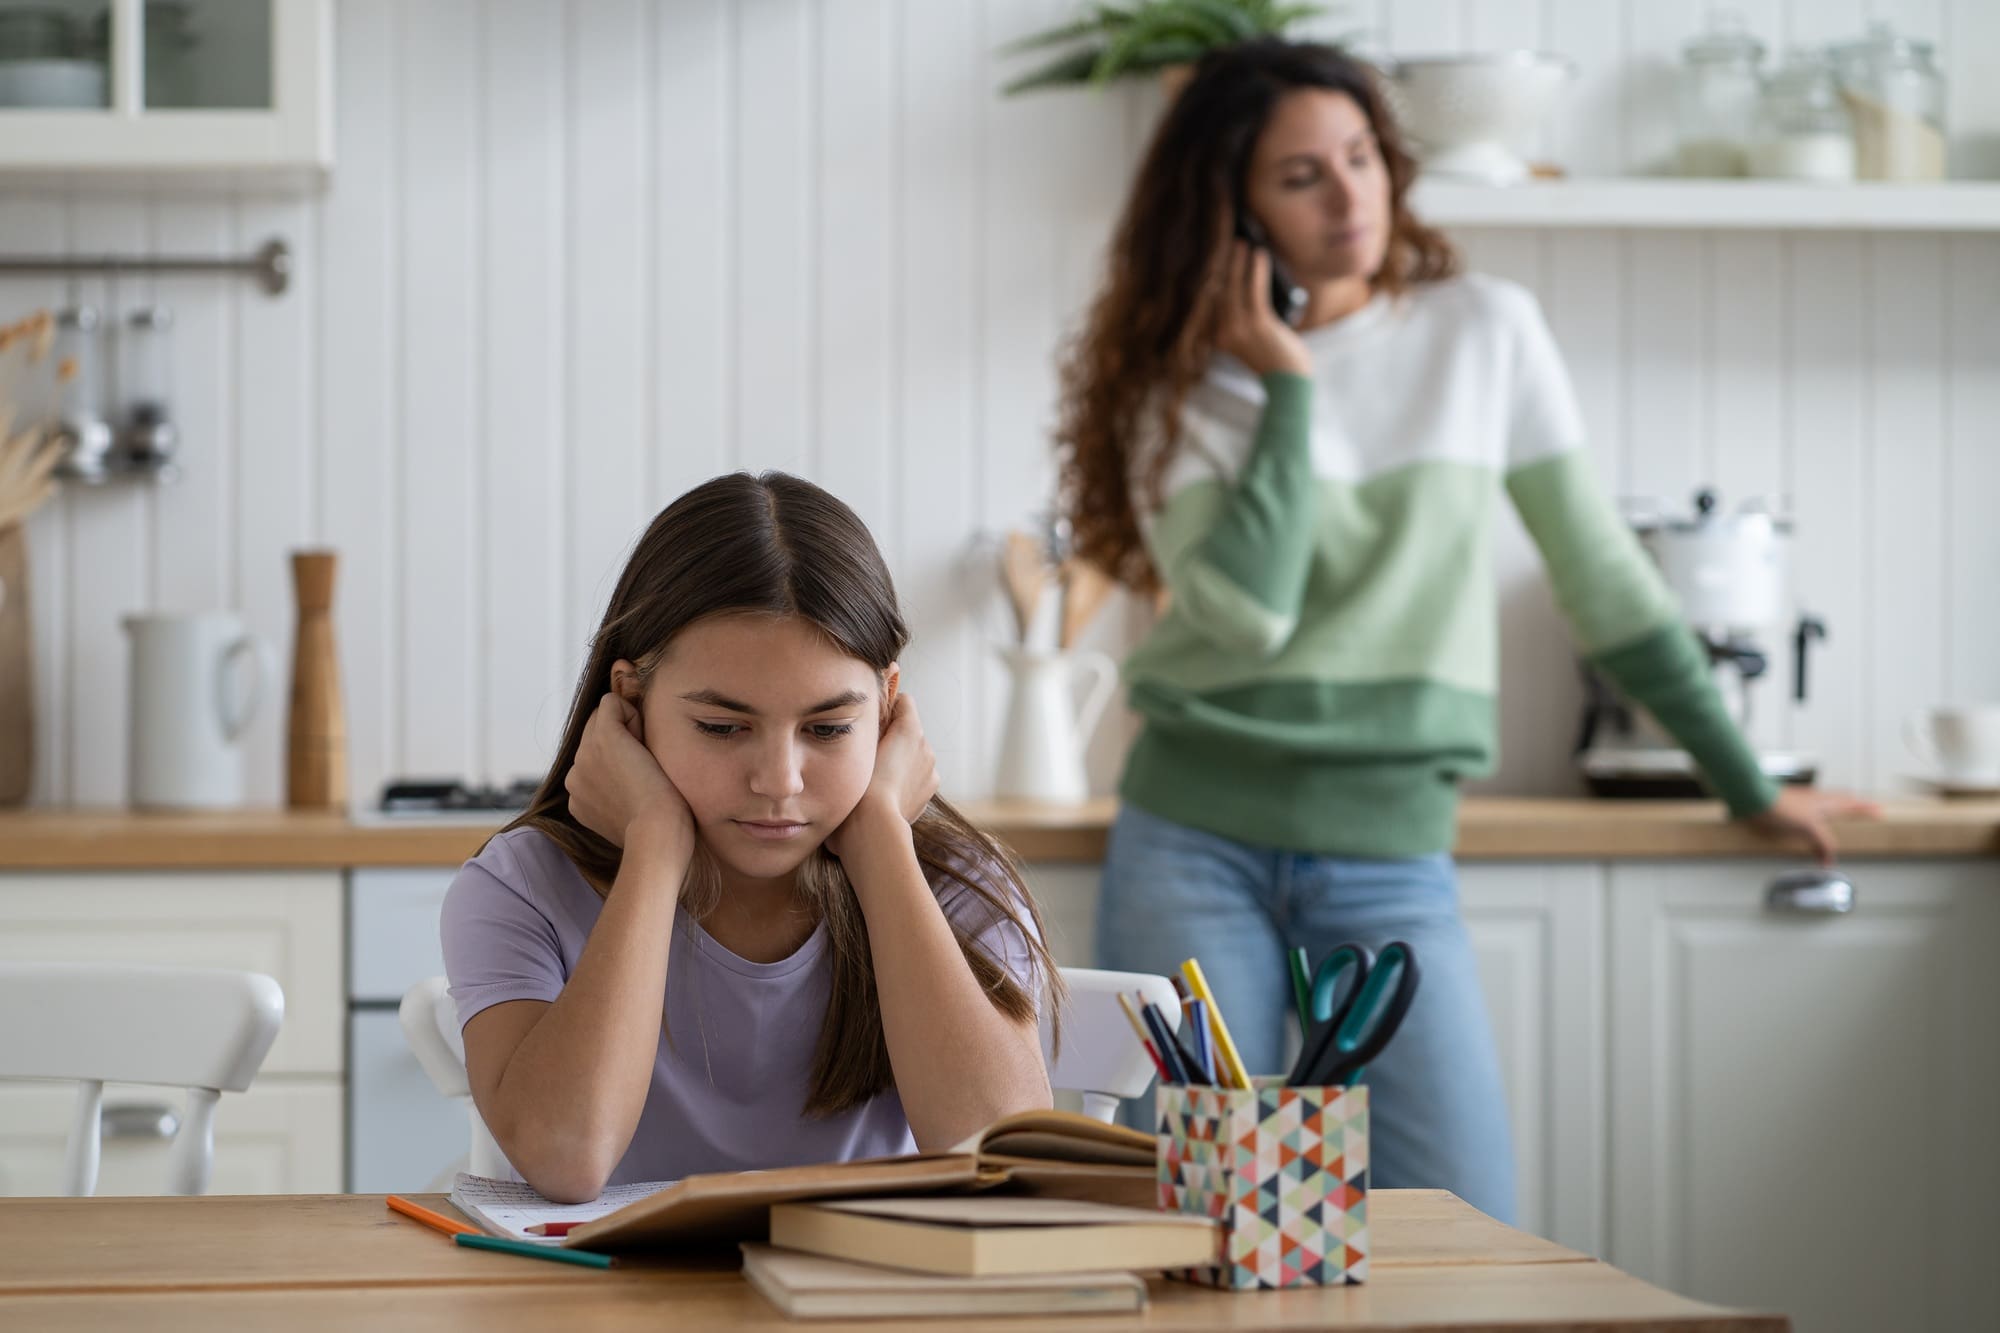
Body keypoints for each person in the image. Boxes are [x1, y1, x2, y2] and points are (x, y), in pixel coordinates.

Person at [1053, 40, 1875, 1223]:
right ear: (1231, 210)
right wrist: (1287, 388)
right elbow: (1246, 614)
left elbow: (1601, 576)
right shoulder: (1178, 383)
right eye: (1300, 176)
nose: (1349, 198)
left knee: (1464, 1219)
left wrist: (1742, 779)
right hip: (1193, 842)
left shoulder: (1483, 332)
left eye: (1360, 157)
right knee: (1202, 1224)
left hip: (1388, 850)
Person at [442, 472, 1061, 1203]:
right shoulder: (521, 887)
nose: (779, 780)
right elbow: (566, 1157)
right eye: (722, 727)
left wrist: (880, 840)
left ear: (887, 707)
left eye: (828, 729)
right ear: (631, 702)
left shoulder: (955, 884)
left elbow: (1004, 1161)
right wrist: (654, 846)